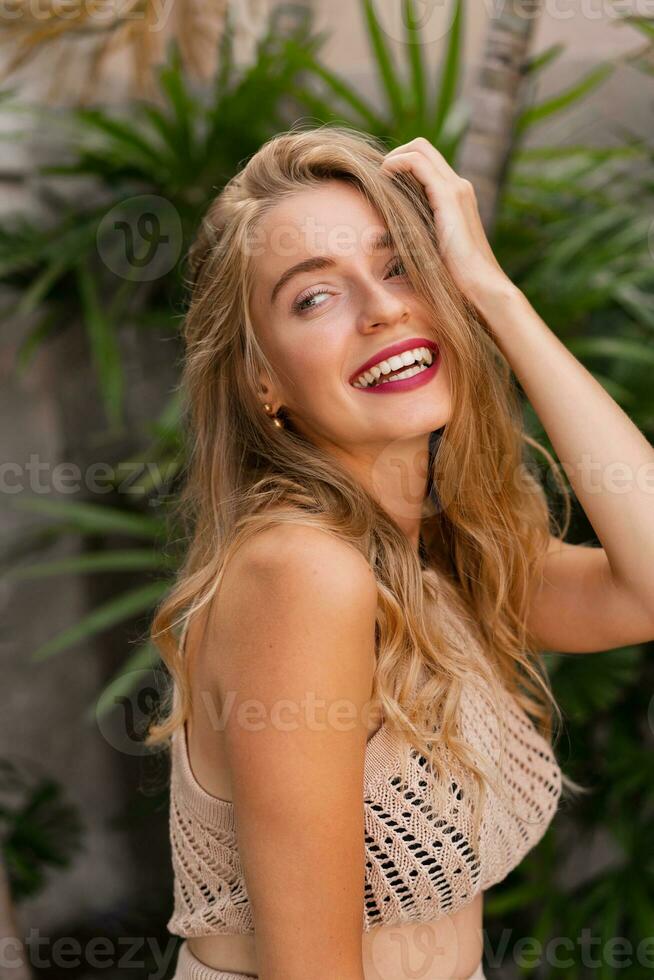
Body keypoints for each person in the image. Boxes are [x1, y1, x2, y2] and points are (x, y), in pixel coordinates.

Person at [145, 124, 654, 980]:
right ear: (262, 381)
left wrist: (494, 293)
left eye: (400, 266)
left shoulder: (440, 553)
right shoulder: (302, 573)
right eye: (315, 297)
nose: (382, 308)